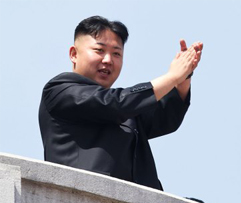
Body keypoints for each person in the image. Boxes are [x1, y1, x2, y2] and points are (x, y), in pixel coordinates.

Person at [39, 16, 203, 190]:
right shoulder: (59, 90)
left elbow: (164, 118)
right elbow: (114, 103)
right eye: (99, 50)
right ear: (74, 54)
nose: (108, 60)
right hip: (82, 199)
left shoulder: (127, 108)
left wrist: (184, 77)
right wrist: (171, 77)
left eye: (116, 53)